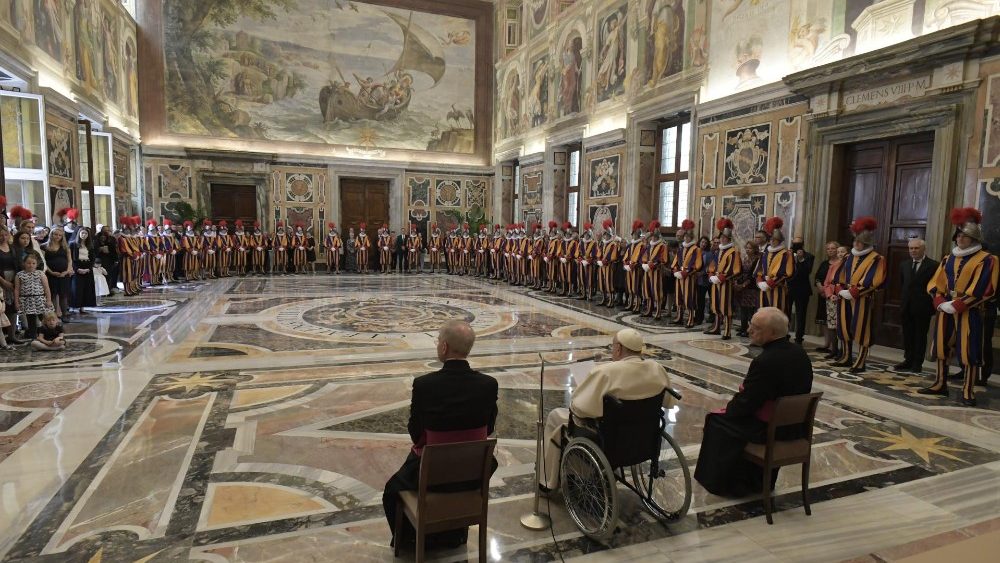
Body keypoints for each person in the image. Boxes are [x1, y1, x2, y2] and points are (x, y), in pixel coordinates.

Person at [382, 320, 498, 549]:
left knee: (391, 490)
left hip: (432, 473)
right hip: (472, 474)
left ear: (444, 347)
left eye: (438, 341)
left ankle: (410, 541)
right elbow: (489, 428)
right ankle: (454, 534)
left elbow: (416, 434)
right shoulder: (489, 384)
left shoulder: (425, 385)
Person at [694, 307, 813, 497]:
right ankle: (759, 481)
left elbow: (747, 403)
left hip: (770, 430)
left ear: (772, 333)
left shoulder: (765, 361)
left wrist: (729, 410)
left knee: (716, 422)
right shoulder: (800, 354)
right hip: (795, 428)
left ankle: (729, 485)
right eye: (751, 324)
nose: (749, 330)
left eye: (756, 327)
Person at [541, 328, 674, 490]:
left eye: (612, 346)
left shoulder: (606, 372)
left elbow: (581, 409)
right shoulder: (656, 368)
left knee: (556, 416)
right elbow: (669, 402)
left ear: (618, 348)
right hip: (645, 437)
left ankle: (547, 480)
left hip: (610, 438)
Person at [919, 208, 998, 406]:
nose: (960, 239)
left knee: (969, 351)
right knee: (941, 347)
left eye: (965, 236)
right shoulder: (948, 258)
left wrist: (958, 304)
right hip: (946, 308)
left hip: (970, 311)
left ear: (974, 238)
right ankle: (940, 383)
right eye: (958, 236)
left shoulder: (987, 260)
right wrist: (939, 302)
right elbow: (936, 283)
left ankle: (968, 390)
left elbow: (984, 288)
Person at [832, 217, 886, 373]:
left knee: (862, 329)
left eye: (859, 242)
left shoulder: (877, 258)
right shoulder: (848, 257)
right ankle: (846, 356)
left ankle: (861, 361)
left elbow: (874, 280)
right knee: (844, 327)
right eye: (855, 241)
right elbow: (839, 275)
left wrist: (853, 292)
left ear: (866, 243)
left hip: (862, 298)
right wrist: (840, 289)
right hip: (844, 297)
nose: (856, 244)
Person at [896, 238, 938, 373]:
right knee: (907, 335)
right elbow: (902, 284)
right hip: (906, 306)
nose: (913, 251)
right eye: (911, 248)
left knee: (920, 336)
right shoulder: (904, 265)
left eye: (916, 248)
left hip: (923, 307)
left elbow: (935, 287)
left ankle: (917, 363)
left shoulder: (934, 265)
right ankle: (908, 360)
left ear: (923, 249)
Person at [705, 218, 742, 339]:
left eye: (724, 237)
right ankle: (716, 327)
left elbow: (735, 269)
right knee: (716, 305)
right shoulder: (718, 251)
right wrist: (711, 275)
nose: (722, 239)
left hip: (726, 283)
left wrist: (721, 277)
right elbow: (712, 265)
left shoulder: (733, 252)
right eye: (721, 237)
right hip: (716, 282)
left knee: (726, 307)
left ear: (729, 239)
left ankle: (727, 331)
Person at [755, 217, 794, 315]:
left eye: (775, 240)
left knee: (776, 314)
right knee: (763, 314)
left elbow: (787, 272)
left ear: (780, 241)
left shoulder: (786, 254)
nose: (772, 241)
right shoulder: (765, 253)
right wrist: (760, 281)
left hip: (777, 288)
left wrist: (770, 283)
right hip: (764, 288)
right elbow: (760, 269)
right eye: (771, 239)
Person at [15, 253, 52, 339]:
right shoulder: (19, 275)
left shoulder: (41, 274)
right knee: (31, 321)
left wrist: (49, 300)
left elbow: (46, 288)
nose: (31, 265)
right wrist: (17, 302)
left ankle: (48, 335)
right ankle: (33, 337)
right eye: (28, 263)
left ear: (37, 264)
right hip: (27, 301)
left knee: (45, 318)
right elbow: (17, 289)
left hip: (40, 299)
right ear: (24, 263)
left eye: (33, 263)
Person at [820, 245, 847, 359]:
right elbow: (826, 283)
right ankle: (834, 350)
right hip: (831, 299)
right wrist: (830, 295)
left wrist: (840, 293)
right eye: (839, 252)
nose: (840, 254)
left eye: (842, 252)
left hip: (843, 298)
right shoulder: (833, 266)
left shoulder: (849, 266)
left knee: (842, 325)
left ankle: (843, 351)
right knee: (831, 325)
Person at [813, 241, 840, 354]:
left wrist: (828, 291)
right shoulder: (824, 263)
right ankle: (826, 343)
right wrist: (821, 288)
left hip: (834, 296)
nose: (830, 250)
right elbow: (817, 277)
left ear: (838, 250)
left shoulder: (841, 263)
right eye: (828, 249)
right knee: (824, 320)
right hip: (823, 295)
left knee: (833, 321)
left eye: (833, 248)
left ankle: (834, 346)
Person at [788, 236, 815, 344]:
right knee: (785, 312)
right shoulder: (787, 254)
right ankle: (784, 334)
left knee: (801, 314)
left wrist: (801, 259)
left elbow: (807, 271)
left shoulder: (809, 256)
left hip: (802, 289)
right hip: (788, 288)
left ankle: (799, 337)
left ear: (803, 244)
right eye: (795, 243)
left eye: (799, 243)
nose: (796, 245)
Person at [43, 227, 73, 321]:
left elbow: (69, 260)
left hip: (64, 274)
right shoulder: (44, 246)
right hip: (50, 274)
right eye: (55, 234)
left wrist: (67, 271)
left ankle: (65, 314)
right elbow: (43, 262)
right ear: (51, 234)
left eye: (60, 235)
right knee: (52, 294)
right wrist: (51, 272)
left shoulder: (65, 247)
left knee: (63, 295)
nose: (57, 236)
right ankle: (54, 316)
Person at [735, 241, 761, 337]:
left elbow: (753, 276)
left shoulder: (757, 259)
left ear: (754, 249)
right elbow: (741, 271)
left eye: (750, 248)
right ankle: (743, 328)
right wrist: (737, 282)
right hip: (743, 288)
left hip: (751, 287)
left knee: (751, 310)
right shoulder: (745, 258)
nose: (747, 250)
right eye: (746, 248)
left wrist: (744, 285)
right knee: (743, 309)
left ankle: (750, 330)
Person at [70, 227, 96, 315]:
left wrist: (89, 268)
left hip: (87, 267)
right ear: (79, 234)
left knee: (87, 288)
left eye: (86, 233)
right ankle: (74, 307)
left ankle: (83, 307)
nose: (84, 235)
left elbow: (92, 259)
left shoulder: (90, 246)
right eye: (82, 233)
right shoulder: (73, 244)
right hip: (77, 266)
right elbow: (70, 259)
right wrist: (77, 269)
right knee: (76, 288)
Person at [95, 224, 119, 295]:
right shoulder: (96, 238)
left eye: (108, 230)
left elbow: (114, 250)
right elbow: (94, 249)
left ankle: (108, 289)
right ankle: (101, 291)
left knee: (109, 275)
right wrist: (100, 249)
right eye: (105, 230)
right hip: (99, 259)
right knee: (100, 276)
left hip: (109, 259)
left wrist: (115, 259)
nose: (106, 232)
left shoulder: (111, 239)